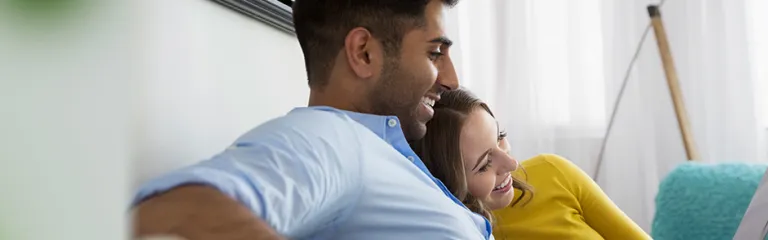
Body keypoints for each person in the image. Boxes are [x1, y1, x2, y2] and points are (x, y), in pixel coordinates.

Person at [130, 0, 501, 239]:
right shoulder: (333, 138)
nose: (451, 79)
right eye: (434, 53)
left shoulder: (379, 150)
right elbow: (172, 210)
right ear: (364, 53)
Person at [411, 88, 651, 240]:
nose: (511, 163)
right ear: (446, 180)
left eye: (500, 136)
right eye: (484, 165)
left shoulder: (553, 172)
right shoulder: (453, 231)